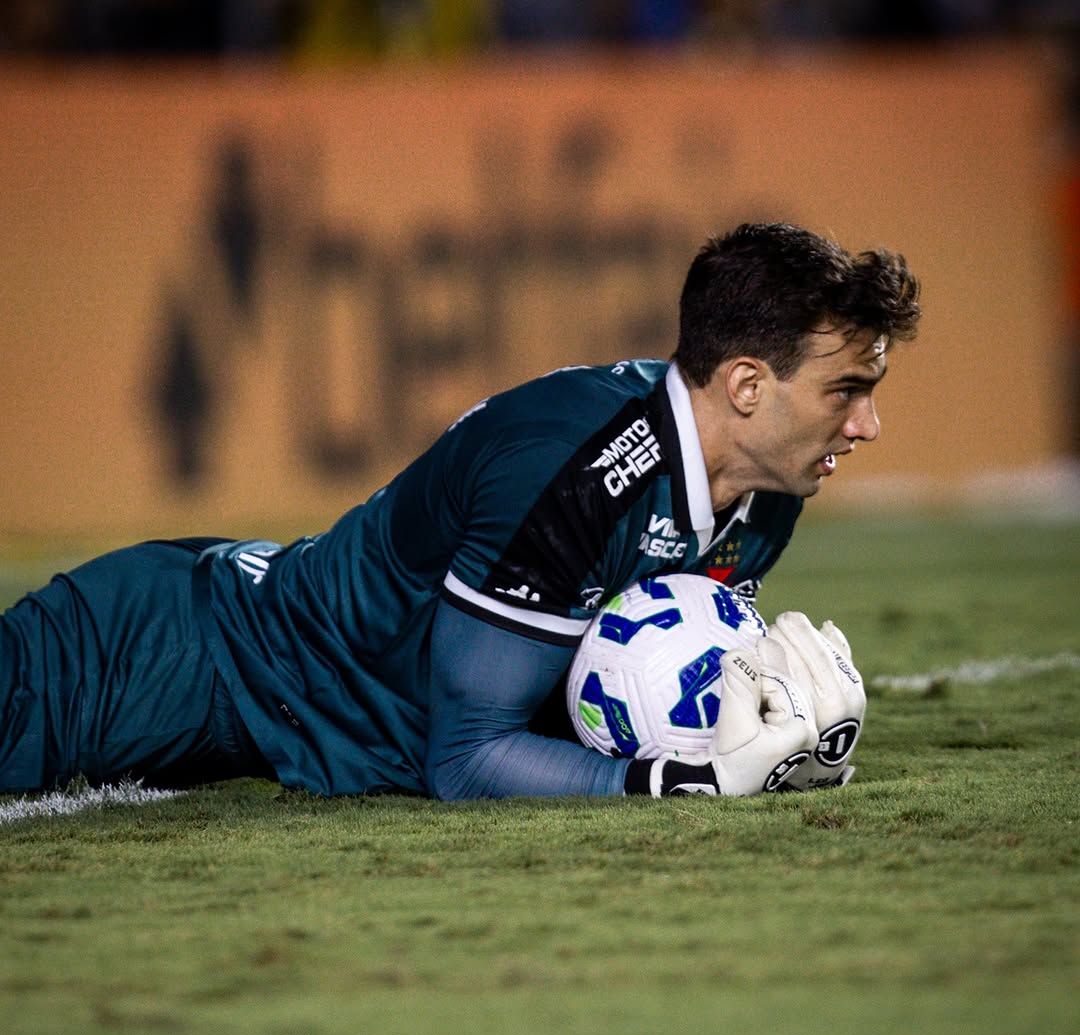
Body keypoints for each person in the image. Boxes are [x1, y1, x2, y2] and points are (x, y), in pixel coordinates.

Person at [0, 222, 921, 800]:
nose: (867, 425)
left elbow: (610, 684)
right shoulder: (570, 471)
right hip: (187, 650)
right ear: (748, 386)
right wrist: (685, 781)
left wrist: (758, 728)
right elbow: (468, 755)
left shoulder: (767, 491)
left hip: (304, 717)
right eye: (846, 390)